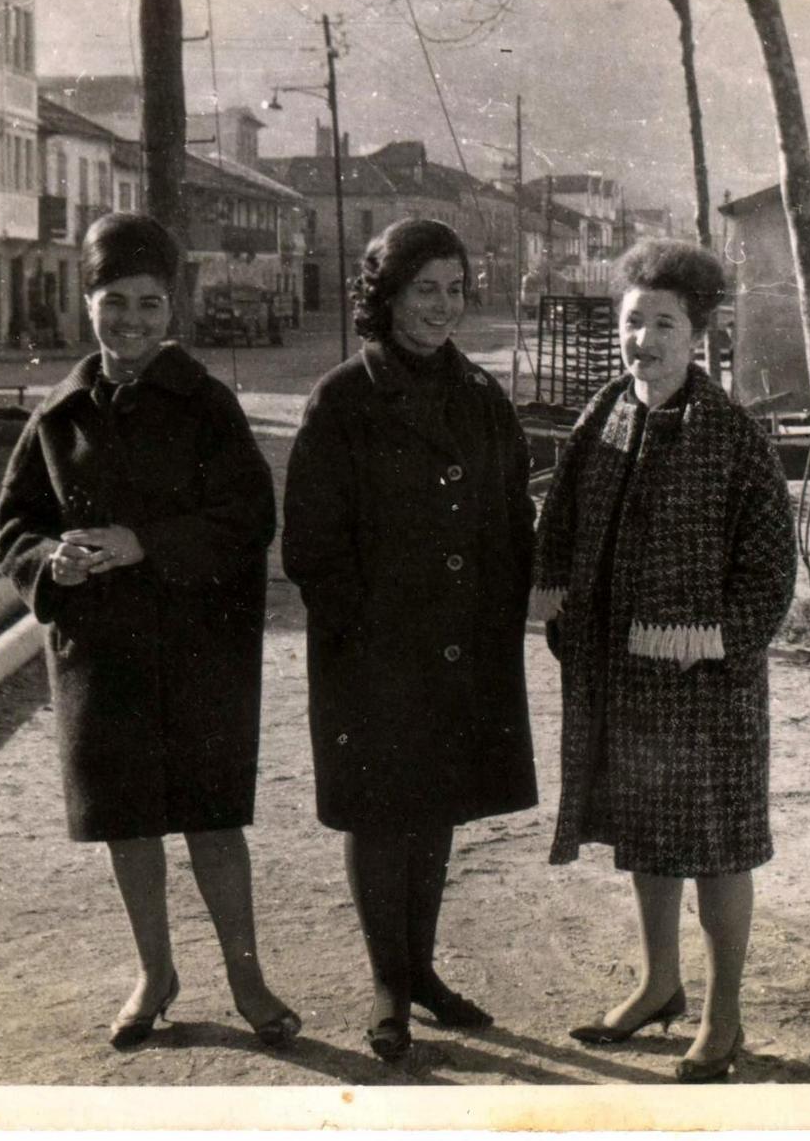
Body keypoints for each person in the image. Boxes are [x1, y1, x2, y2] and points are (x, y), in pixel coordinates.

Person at [0, 213, 300, 1052]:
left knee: (210, 819)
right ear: (87, 304)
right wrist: (47, 563)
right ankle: (155, 972)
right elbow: (14, 526)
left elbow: (248, 517)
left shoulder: (208, 407)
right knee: (127, 819)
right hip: (100, 651)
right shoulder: (57, 417)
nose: (131, 321)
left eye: (150, 305)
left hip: (198, 648)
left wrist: (144, 544)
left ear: (174, 311)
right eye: (114, 303)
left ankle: (248, 981)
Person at [532, 238, 796, 1083]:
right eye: (632, 321)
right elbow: (561, 522)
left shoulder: (734, 438)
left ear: (700, 335)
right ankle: (658, 985)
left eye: (664, 324)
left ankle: (723, 1020)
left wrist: (713, 638)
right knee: (647, 836)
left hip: (708, 683)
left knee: (717, 845)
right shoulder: (607, 411)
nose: (644, 339)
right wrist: (553, 595)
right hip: (623, 674)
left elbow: (770, 572)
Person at [283, 218, 538, 1063]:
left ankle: (422, 971)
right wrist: (370, 633)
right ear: (386, 296)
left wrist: (507, 612)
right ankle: (387, 982)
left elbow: (513, 515)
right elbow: (312, 549)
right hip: (375, 654)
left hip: (463, 648)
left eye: (455, 290)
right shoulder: (343, 400)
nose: (441, 307)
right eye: (424, 289)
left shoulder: (483, 396)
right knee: (381, 811)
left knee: (437, 807)